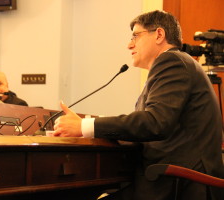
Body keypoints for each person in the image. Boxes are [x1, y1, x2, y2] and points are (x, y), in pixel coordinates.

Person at [53, 10, 224, 200]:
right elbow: (149, 125)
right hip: (173, 179)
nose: (129, 45)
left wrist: (85, 126)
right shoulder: (175, 65)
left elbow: (154, 123)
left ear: (159, 34)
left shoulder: (172, 61)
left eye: (135, 36)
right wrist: (87, 123)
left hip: (180, 185)